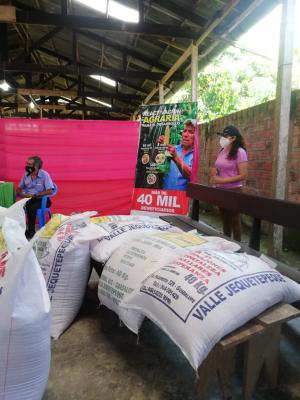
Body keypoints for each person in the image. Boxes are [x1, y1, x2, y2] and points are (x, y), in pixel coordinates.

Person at [210, 125, 248, 242]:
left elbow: (243, 175)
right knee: (224, 220)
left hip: (234, 190)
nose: (222, 138)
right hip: (221, 190)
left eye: (225, 136)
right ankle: (226, 243)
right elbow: (219, 168)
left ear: (233, 138)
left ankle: (237, 247)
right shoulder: (222, 151)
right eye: (222, 136)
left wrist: (221, 180)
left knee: (234, 221)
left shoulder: (240, 152)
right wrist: (215, 177)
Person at [16, 155, 54, 239]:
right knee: (17, 207)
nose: (27, 166)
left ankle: (31, 231)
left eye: (29, 164)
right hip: (28, 199)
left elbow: (50, 191)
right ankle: (21, 230)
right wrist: (22, 194)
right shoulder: (26, 174)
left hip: (42, 200)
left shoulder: (44, 175)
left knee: (30, 208)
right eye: (26, 163)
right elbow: (18, 188)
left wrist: (35, 195)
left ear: (36, 166)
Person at [162, 120, 195, 191]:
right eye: (185, 131)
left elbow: (192, 176)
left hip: (183, 199)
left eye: (190, 132)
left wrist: (176, 158)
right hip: (165, 197)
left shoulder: (197, 155)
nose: (186, 135)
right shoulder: (174, 148)